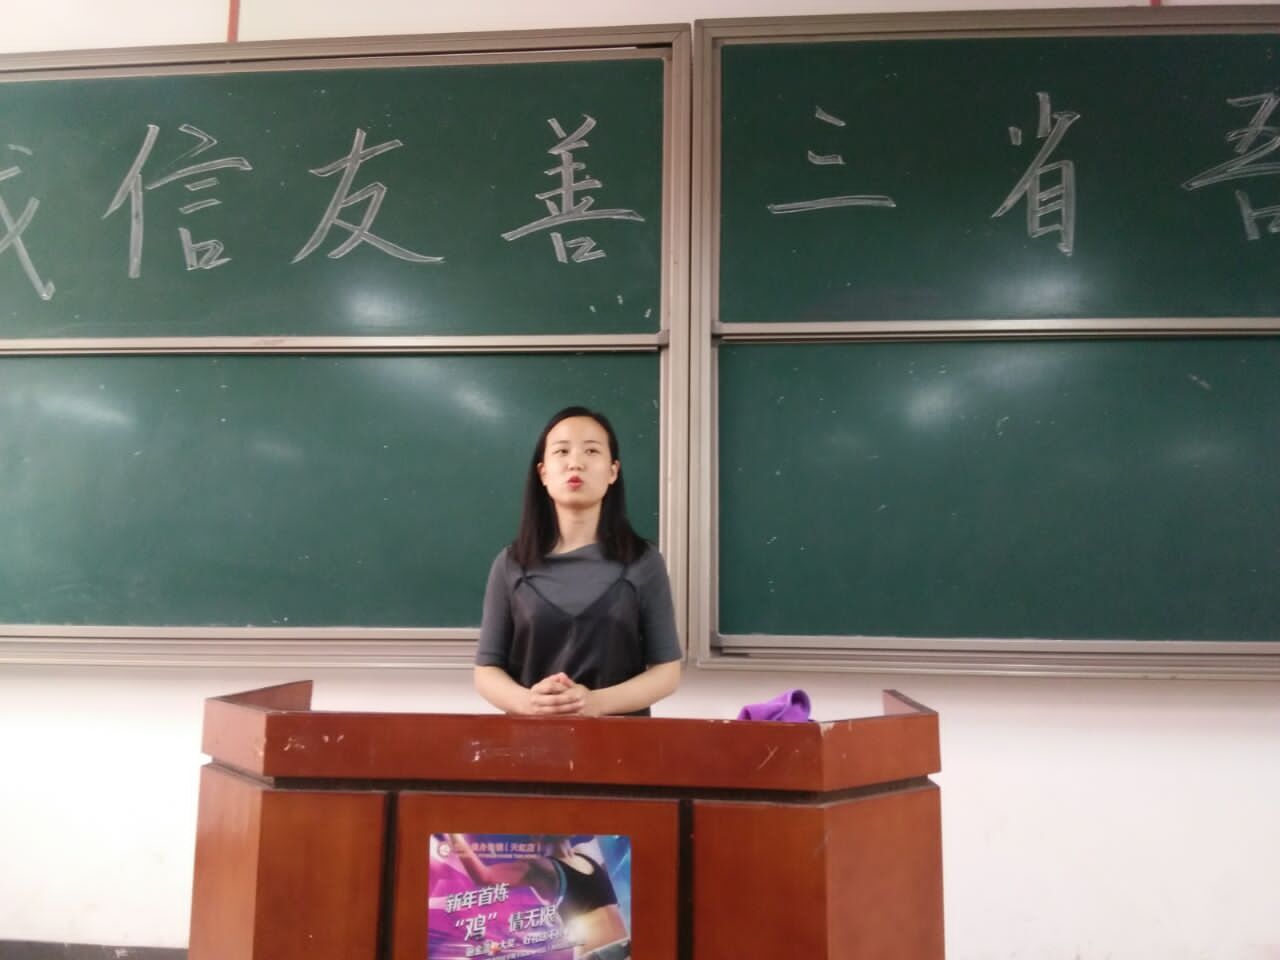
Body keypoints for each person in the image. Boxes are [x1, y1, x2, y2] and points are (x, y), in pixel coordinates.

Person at [474, 406, 681, 717]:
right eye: (562, 451)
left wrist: (593, 703)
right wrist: (528, 702)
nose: (575, 463)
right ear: (543, 473)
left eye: (591, 451)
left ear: (612, 471)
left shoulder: (643, 562)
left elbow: (667, 673)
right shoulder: (510, 564)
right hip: (529, 740)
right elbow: (487, 670)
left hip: (620, 742)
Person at [446, 833, 631, 960]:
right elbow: (484, 877)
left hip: (627, 948)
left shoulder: (586, 852)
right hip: (596, 955)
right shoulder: (541, 868)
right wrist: (453, 833)